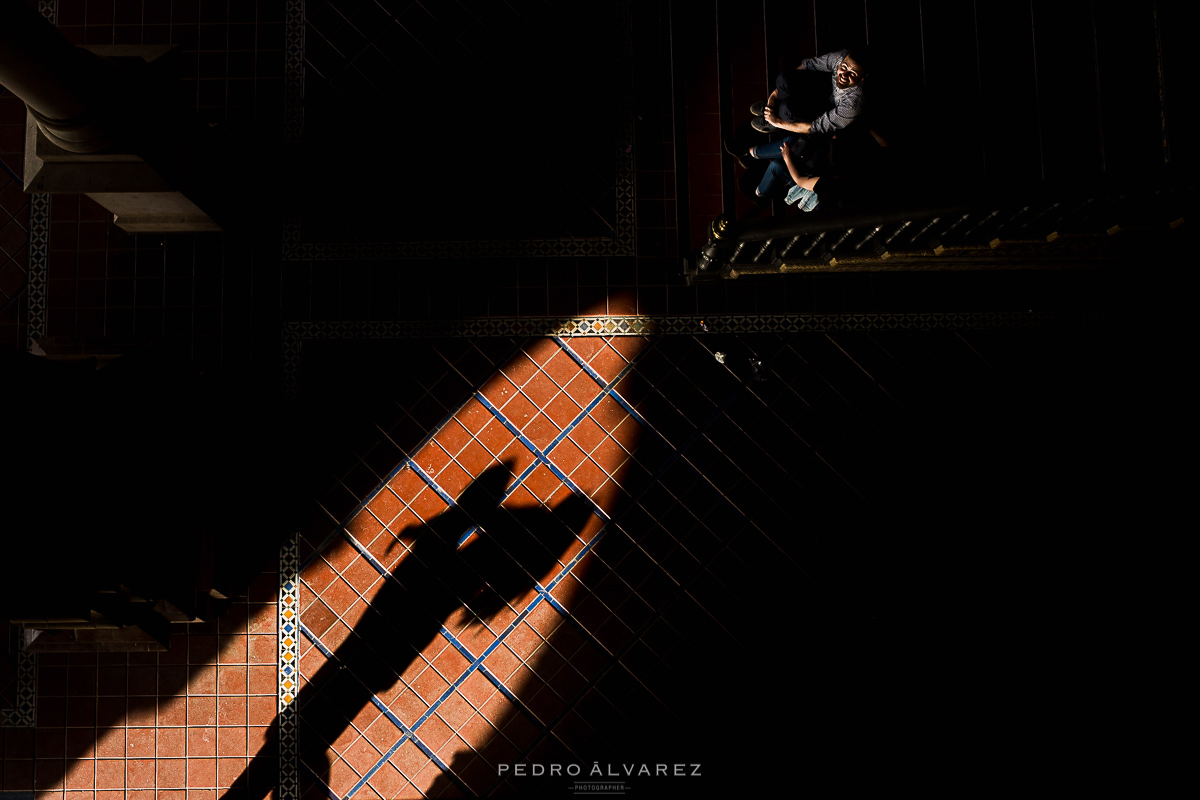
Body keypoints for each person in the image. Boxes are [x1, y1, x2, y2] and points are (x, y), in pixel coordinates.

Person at [754, 48, 870, 136]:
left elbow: (815, 127)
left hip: (828, 109)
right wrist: (775, 94)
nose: (844, 75)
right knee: (784, 79)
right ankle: (774, 107)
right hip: (823, 87)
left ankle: (777, 116)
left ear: (863, 77)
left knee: (787, 109)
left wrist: (778, 122)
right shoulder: (842, 57)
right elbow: (809, 64)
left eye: (852, 74)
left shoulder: (854, 103)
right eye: (843, 68)